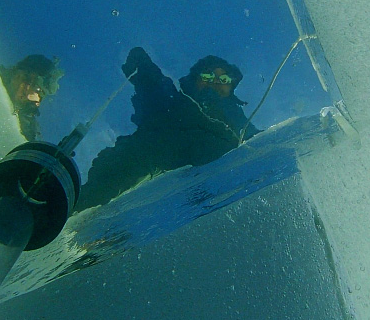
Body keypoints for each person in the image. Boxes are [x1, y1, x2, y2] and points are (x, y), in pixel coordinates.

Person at [74, 47, 259, 211]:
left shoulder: (238, 122)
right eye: (208, 76)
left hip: (226, 195)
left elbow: (259, 146)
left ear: (231, 88)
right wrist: (145, 69)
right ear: (194, 80)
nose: (215, 82)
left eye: (224, 79)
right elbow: (157, 87)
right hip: (150, 197)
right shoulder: (173, 105)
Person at [0, 54, 63, 141]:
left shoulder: (27, 131)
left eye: (37, 89)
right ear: (14, 73)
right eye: (26, 78)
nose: (27, 90)